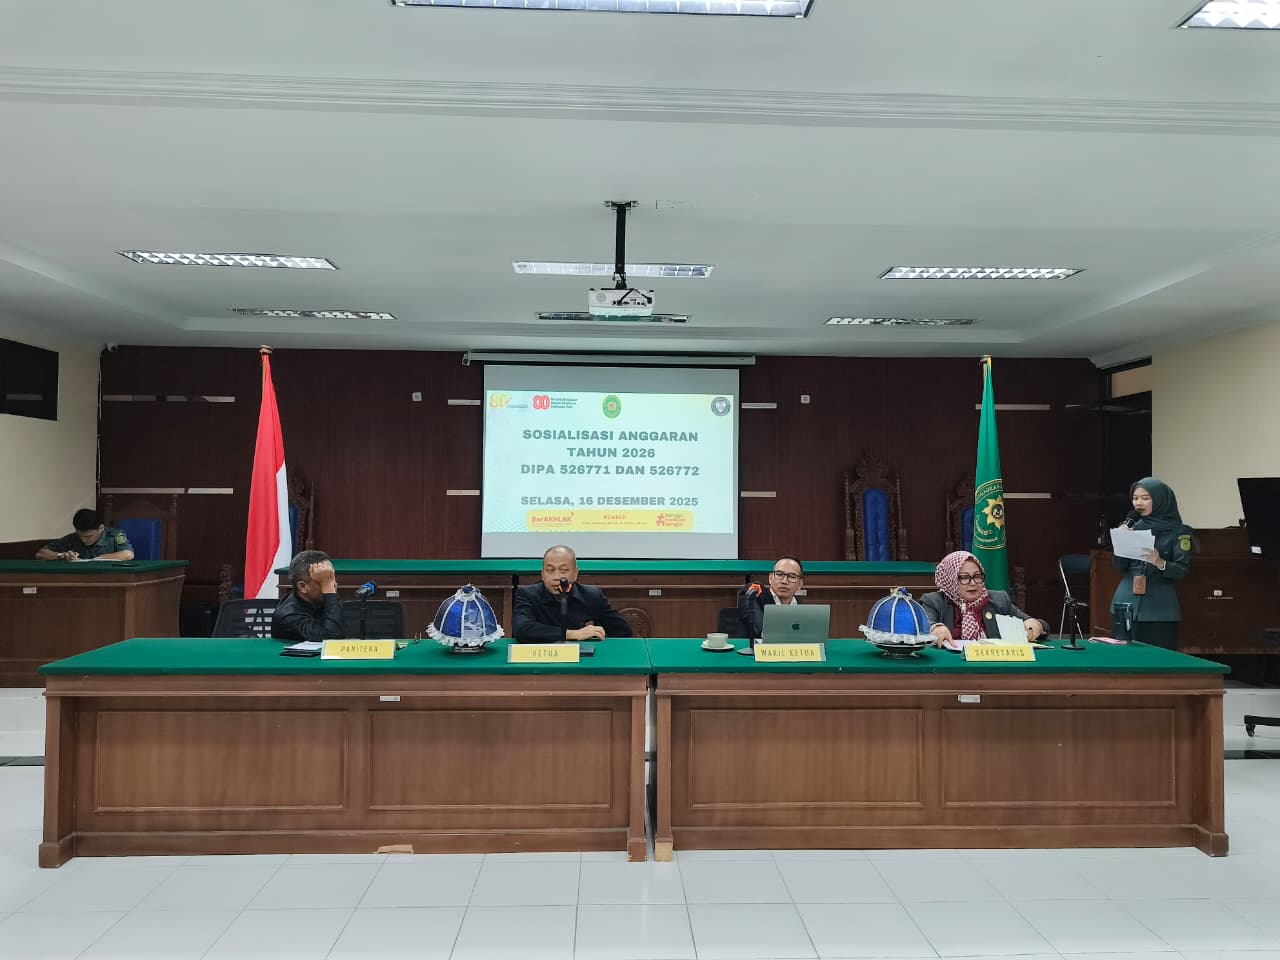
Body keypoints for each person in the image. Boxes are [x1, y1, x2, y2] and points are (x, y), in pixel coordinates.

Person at [1111, 477, 1193, 650]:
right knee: (1124, 658)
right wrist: (1121, 543)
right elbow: (1120, 568)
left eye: (1145, 498)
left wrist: (1160, 562)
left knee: (1159, 658)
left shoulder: (1179, 531)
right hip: (1126, 603)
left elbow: (1181, 571)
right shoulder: (1131, 527)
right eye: (1135, 498)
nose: (1138, 503)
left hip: (1159, 607)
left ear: (1161, 500)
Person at [922, 551, 1049, 649]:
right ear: (951, 580)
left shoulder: (998, 600)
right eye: (964, 577)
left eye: (977, 576)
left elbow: (1035, 624)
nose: (973, 583)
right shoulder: (935, 602)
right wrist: (935, 628)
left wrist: (1036, 625)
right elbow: (924, 625)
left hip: (994, 665)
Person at [512, 545, 632, 643]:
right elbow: (521, 629)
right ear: (542, 574)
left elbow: (623, 632)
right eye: (550, 570)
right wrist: (573, 634)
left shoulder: (591, 596)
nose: (556, 577)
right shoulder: (527, 595)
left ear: (575, 573)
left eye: (564, 571)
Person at [271, 550, 346, 643]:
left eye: (330, 578)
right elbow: (333, 638)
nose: (333, 585)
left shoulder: (318, 600)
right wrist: (328, 589)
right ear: (303, 587)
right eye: (324, 581)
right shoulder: (289, 617)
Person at [738, 555, 805, 640]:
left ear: (800, 584)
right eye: (779, 575)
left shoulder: (802, 608)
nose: (784, 581)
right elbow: (758, 629)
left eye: (792, 576)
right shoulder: (756, 595)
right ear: (770, 578)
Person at [36, 509, 134, 561]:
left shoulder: (114, 535)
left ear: (101, 528)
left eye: (88, 536)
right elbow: (41, 554)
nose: (83, 540)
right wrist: (62, 555)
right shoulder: (72, 538)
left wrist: (97, 560)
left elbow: (128, 554)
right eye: (80, 536)